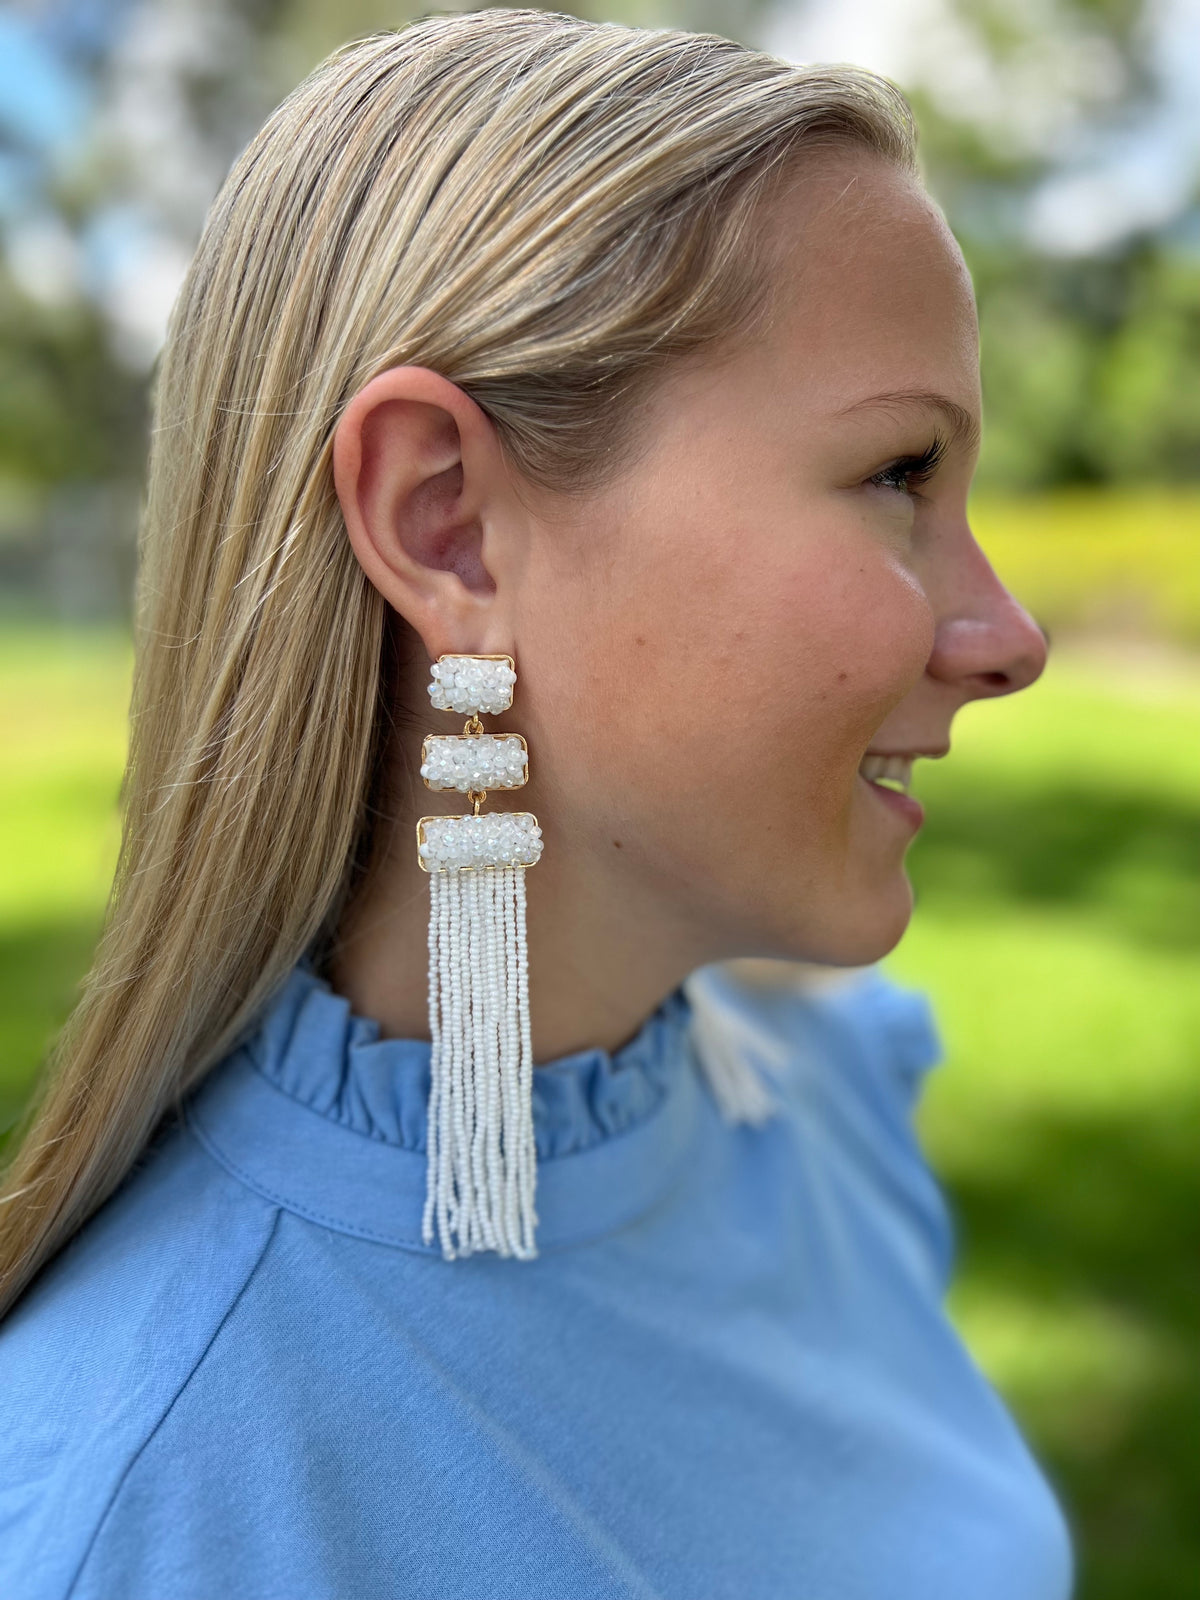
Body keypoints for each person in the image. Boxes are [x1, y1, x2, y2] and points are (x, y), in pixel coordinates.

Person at [0, 10, 1074, 1596]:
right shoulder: (150, 1510)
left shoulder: (823, 1105)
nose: (1008, 637)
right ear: (448, 527)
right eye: (901, 473)